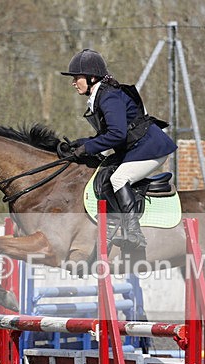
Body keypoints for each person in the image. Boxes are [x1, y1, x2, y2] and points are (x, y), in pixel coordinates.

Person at [60, 48, 177, 250]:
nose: (73, 82)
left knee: (118, 179)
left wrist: (86, 148)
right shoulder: (101, 96)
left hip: (150, 148)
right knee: (103, 172)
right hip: (137, 146)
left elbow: (117, 135)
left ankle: (134, 232)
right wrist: (79, 144)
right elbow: (108, 134)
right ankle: (114, 222)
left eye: (76, 77)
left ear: (91, 77)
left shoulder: (108, 97)